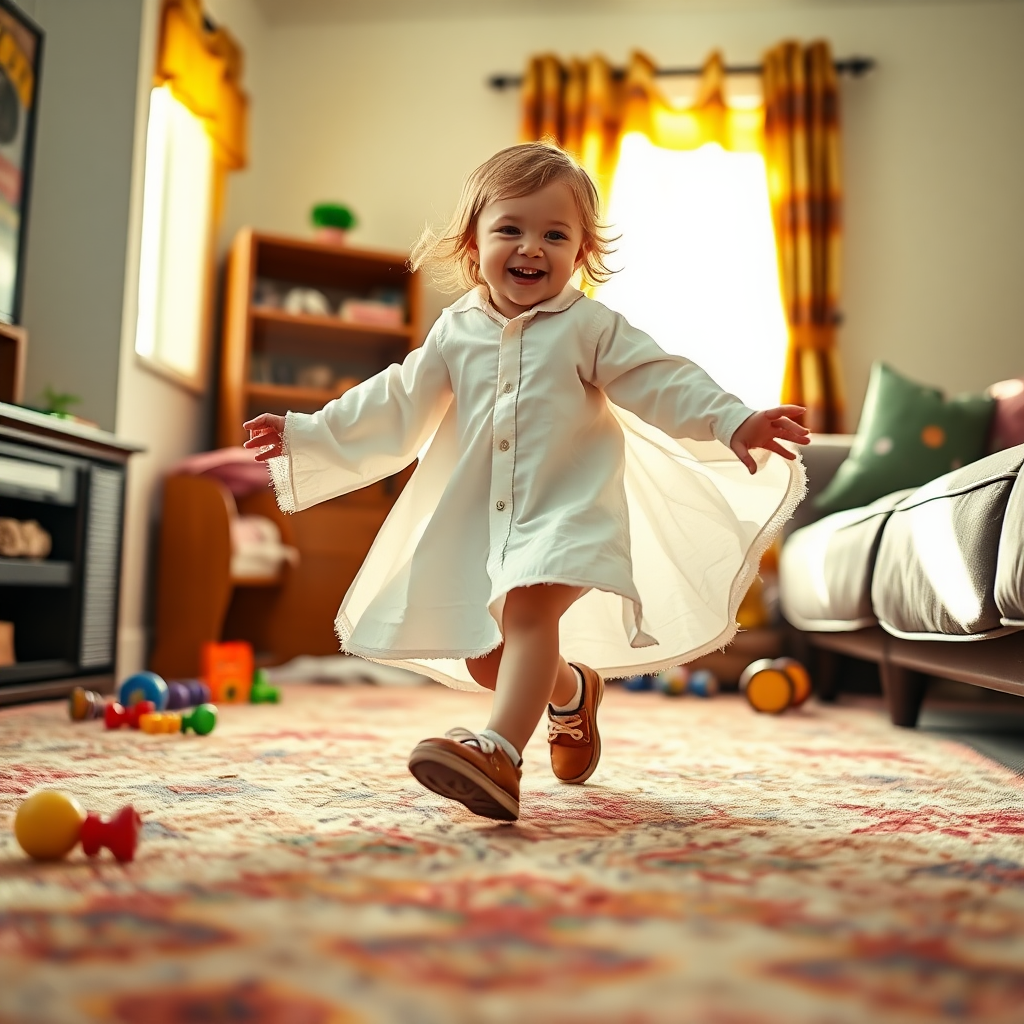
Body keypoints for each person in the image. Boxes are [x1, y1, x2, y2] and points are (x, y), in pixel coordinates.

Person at [244, 142, 809, 823]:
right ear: (473, 241)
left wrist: (733, 420)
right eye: (510, 229)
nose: (530, 248)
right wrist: (309, 433)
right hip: (488, 522)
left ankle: (500, 755)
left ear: (581, 251)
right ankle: (572, 694)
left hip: (571, 512)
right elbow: (394, 404)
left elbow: (661, 378)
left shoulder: (590, 328)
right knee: (491, 659)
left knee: (529, 614)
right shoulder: (456, 332)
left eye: (554, 234)